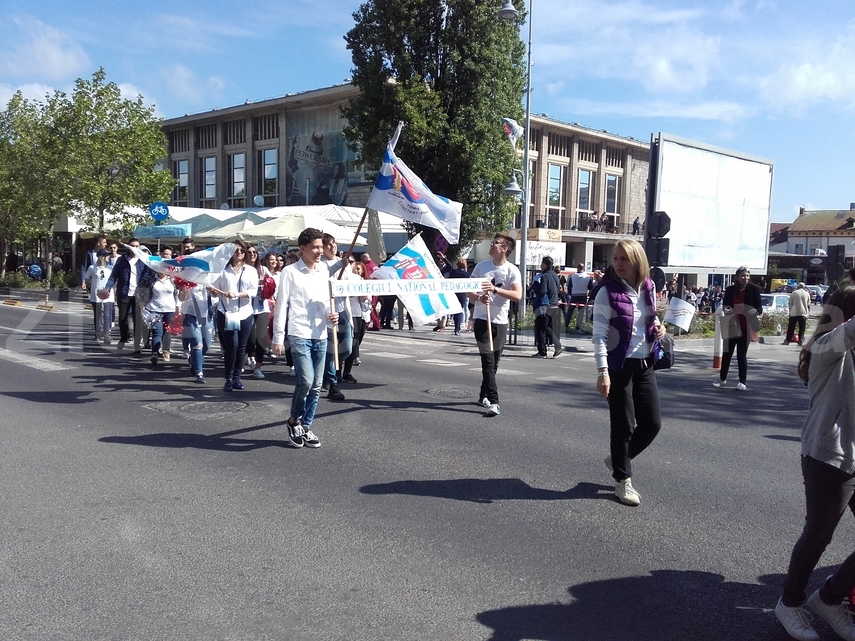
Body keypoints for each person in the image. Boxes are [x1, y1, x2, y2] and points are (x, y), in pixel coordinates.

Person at [774, 286, 855, 641]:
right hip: (828, 455)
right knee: (818, 535)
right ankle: (789, 603)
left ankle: (830, 597)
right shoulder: (826, 347)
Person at [593, 239, 667, 507]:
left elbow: (651, 317)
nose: (618, 264)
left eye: (624, 259)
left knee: (652, 423)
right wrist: (603, 371)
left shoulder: (648, 285)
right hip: (619, 366)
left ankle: (618, 459)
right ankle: (622, 481)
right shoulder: (607, 292)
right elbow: (599, 334)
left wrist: (659, 328)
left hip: (646, 362)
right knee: (623, 426)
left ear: (637, 261)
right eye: (615, 258)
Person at [271, 228, 339, 448]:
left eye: (321, 246)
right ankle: (293, 421)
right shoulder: (290, 272)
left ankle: (306, 427)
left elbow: (328, 301)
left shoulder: (324, 271)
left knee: (318, 385)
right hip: (299, 332)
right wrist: (278, 338)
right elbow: (282, 306)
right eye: (315, 247)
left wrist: (332, 315)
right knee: (306, 381)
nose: (320, 251)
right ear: (303, 249)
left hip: (320, 333)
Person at [467, 233, 522, 417]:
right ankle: (494, 401)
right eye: (492, 242)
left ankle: (483, 393)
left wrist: (495, 289)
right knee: (488, 361)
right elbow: (469, 291)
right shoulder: (481, 267)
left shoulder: (512, 270)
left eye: (496, 243)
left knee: (494, 363)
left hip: (500, 321)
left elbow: (517, 295)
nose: (491, 245)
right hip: (483, 319)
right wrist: (479, 297)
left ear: (505, 248)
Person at [210, 240, 259, 392]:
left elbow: (253, 291)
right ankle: (228, 378)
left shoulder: (250, 270)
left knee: (241, 347)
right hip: (226, 312)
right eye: (236, 250)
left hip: (245, 312)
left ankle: (237, 378)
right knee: (232, 345)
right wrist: (213, 291)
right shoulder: (222, 270)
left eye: (242, 251)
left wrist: (237, 294)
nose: (239, 253)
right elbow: (214, 288)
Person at [714, 266, 763, 391]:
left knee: (741, 356)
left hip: (746, 326)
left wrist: (753, 311)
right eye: (742, 276)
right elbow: (725, 306)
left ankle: (742, 381)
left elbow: (759, 308)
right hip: (731, 324)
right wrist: (732, 311)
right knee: (727, 353)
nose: (745, 278)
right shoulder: (730, 290)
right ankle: (722, 379)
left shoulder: (754, 290)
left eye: (747, 276)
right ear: (737, 277)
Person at [320, 234, 353, 401]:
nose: (333, 247)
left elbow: (349, 283)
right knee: (330, 351)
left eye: (334, 244)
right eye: (329, 245)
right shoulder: (320, 264)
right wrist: (340, 264)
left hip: (343, 310)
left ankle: (329, 370)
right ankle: (332, 382)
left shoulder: (344, 264)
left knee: (347, 348)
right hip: (328, 311)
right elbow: (323, 277)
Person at [104, 238, 148, 353]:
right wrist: (108, 288)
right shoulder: (121, 260)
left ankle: (137, 344)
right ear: (128, 247)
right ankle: (123, 337)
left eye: (137, 246)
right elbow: (114, 275)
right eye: (132, 245)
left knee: (137, 319)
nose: (135, 247)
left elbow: (149, 276)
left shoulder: (143, 260)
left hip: (139, 295)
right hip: (124, 293)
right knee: (123, 318)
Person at [179, 241, 213, 384]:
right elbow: (180, 297)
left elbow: (216, 294)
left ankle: (194, 359)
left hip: (206, 314)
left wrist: (214, 291)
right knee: (197, 343)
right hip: (190, 314)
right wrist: (184, 290)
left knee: (206, 344)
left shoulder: (209, 275)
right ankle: (199, 373)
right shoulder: (184, 276)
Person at [244, 245, 274, 379]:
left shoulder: (263, 269)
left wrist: (268, 289)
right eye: (249, 252)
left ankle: (258, 367)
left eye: (254, 252)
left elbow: (273, 285)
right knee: (250, 338)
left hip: (262, 308)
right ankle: (249, 356)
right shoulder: (242, 270)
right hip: (246, 308)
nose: (252, 254)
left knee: (261, 338)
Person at [145, 247, 177, 365]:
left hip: (170, 309)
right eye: (160, 269)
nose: (162, 271)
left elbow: (178, 294)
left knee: (167, 332)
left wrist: (179, 307)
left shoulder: (173, 280)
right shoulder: (151, 280)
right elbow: (143, 292)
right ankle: (154, 353)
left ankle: (166, 351)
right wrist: (142, 303)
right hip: (154, 309)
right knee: (157, 332)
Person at [342, 259, 369, 383]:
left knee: (354, 343)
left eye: (352, 262)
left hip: (358, 314)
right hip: (344, 312)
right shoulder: (340, 277)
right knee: (345, 343)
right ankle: (338, 371)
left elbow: (364, 299)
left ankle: (347, 371)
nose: (352, 265)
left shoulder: (359, 280)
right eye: (350, 262)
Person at [532, 257, 563, 358]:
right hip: (554, 304)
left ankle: (542, 352)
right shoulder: (555, 275)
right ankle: (557, 345)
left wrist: (535, 286)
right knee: (547, 327)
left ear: (545, 264)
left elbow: (542, 291)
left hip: (545, 304)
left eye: (542, 263)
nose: (541, 265)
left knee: (540, 328)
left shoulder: (544, 276)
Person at [83, 249, 114, 344]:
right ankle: (97, 333)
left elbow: (113, 280)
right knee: (98, 315)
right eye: (106, 256)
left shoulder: (110, 268)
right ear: (101, 257)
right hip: (96, 295)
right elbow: (87, 278)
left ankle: (106, 335)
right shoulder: (93, 267)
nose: (108, 257)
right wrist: (92, 286)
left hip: (108, 294)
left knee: (107, 315)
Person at [566, 263, 592, 332]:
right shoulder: (588, 277)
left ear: (577, 268)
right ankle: (578, 327)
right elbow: (590, 287)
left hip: (574, 295)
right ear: (583, 268)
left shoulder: (572, 276)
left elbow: (569, 287)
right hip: (583, 295)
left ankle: (565, 325)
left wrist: (570, 294)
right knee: (581, 312)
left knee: (570, 311)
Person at [448, 259, 470, 336]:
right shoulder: (466, 274)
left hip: (453, 293)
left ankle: (456, 326)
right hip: (462, 294)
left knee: (454, 310)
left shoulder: (453, 272)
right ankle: (457, 328)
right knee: (460, 310)